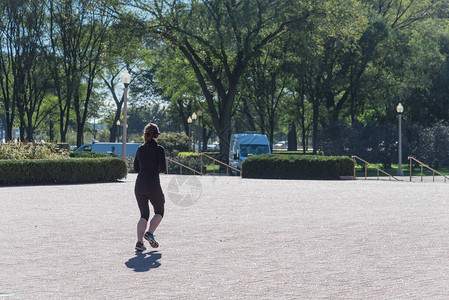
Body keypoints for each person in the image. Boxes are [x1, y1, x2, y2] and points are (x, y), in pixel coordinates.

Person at [133, 123, 166, 251]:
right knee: (159, 211)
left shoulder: (140, 149)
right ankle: (150, 233)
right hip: (153, 184)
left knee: (144, 215)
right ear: (156, 135)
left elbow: (136, 168)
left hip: (139, 184)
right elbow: (162, 169)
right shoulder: (159, 149)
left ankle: (139, 243)